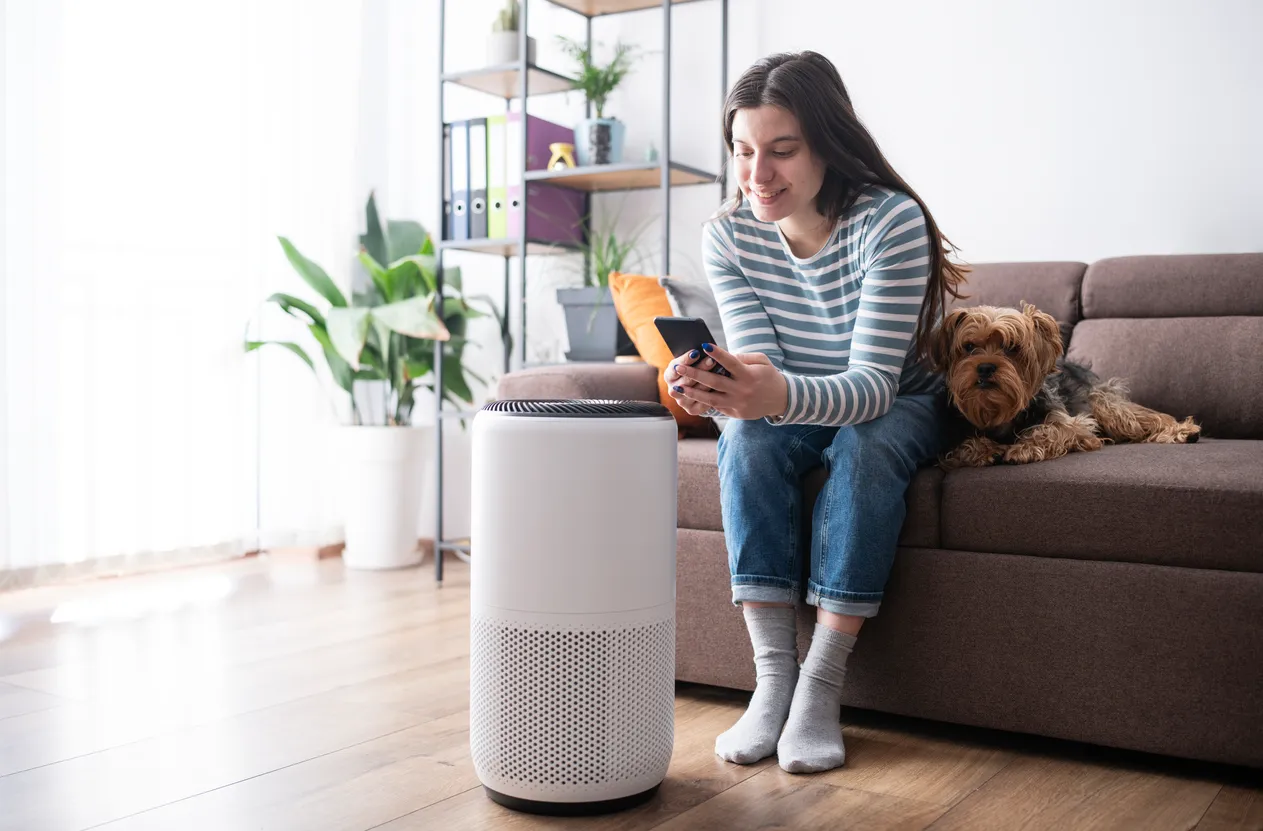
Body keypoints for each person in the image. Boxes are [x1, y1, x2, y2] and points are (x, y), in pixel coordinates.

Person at [664, 50, 968, 773]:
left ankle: (819, 686)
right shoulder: (728, 236)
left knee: (864, 444)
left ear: (827, 144)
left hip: (898, 395)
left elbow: (869, 387)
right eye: (742, 151)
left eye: (781, 151)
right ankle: (773, 680)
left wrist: (766, 392)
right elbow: (762, 371)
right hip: (804, 392)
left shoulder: (888, 222)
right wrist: (715, 388)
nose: (756, 176)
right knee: (747, 435)